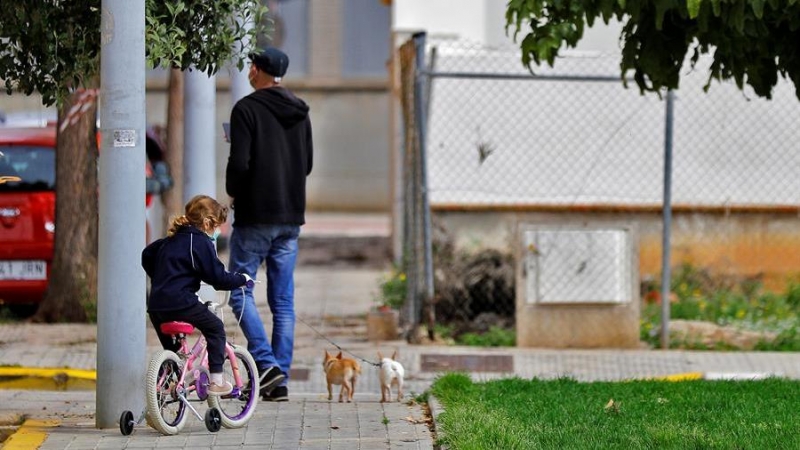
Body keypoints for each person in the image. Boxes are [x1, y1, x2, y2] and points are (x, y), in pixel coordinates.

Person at [225, 46, 313, 402]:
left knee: (239, 292)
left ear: (258, 71)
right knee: (283, 302)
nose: (248, 70)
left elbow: (240, 164)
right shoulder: (300, 111)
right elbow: (306, 164)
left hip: (255, 216)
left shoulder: (246, 109)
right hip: (290, 217)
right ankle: (280, 380)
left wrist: (233, 190)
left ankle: (265, 363)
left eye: (251, 65)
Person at [142, 194, 253, 396]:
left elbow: (147, 255)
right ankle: (217, 382)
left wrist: (161, 277)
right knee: (216, 328)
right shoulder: (200, 242)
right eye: (217, 225)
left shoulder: (170, 240)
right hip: (181, 302)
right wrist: (242, 280)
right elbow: (218, 278)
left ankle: (170, 385)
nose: (217, 231)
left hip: (157, 304)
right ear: (207, 222)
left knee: (174, 352)